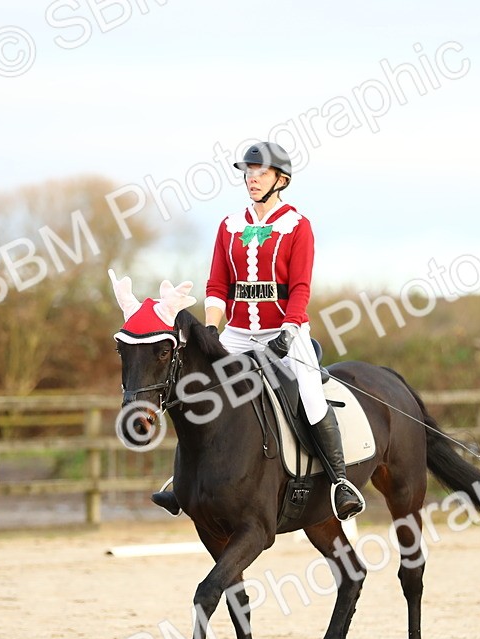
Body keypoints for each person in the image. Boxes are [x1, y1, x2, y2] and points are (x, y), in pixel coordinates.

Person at [151, 141, 366, 521]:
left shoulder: (297, 226)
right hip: (236, 331)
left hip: (285, 329)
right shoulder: (229, 226)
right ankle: (181, 481)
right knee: (198, 391)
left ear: (280, 180)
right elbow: (218, 286)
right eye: (248, 172)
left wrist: (289, 327)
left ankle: (340, 483)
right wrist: (212, 330)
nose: (252, 178)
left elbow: (300, 287)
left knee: (311, 397)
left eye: (260, 172)